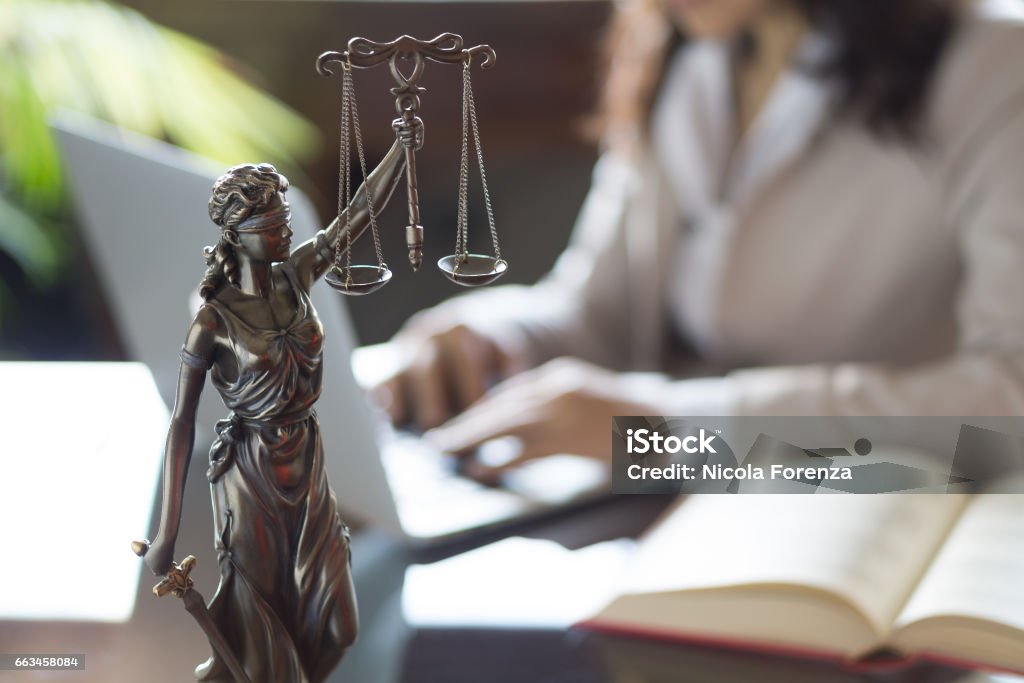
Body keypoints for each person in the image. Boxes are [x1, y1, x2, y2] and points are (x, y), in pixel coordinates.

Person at [374, 0, 1024, 482]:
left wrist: (667, 431)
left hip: (873, 538)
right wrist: (490, 335)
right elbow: (602, 314)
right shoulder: (691, 54)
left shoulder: (993, 70)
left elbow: (1008, 408)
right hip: (678, 522)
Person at [141, 121, 421, 682]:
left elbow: (358, 215)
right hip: (252, 474)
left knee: (337, 625)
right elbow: (181, 423)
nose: (286, 233)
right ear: (239, 233)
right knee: (264, 628)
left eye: (286, 221)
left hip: (307, 461)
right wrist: (166, 534)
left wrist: (403, 147)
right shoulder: (212, 323)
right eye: (273, 226)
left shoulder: (297, 276)